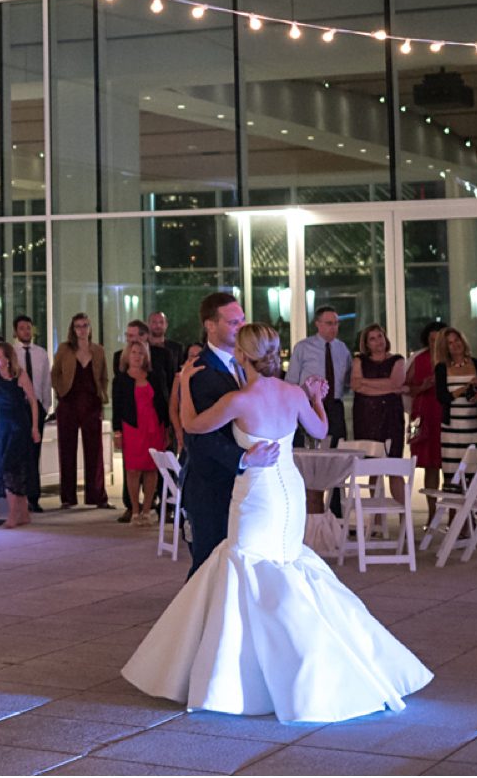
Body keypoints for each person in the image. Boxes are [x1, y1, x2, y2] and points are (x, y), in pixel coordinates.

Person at [122, 322, 432, 724]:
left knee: (247, 569)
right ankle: (307, 668)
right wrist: (316, 399)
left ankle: (251, 678)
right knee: (282, 568)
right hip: (290, 492)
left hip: (257, 495)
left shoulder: (240, 399)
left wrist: (183, 383)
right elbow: (320, 430)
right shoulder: (291, 393)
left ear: (242, 357)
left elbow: (192, 427)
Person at [179, 293, 282, 576]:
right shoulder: (200, 369)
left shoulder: (251, 364)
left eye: (243, 320)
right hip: (211, 483)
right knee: (209, 565)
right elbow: (200, 436)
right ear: (210, 325)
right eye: (232, 321)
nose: (240, 326)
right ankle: (197, 620)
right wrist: (243, 458)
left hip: (245, 484)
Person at [0, 339, 40, 528]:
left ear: (8, 359)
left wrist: (35, 427)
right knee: (9, 471)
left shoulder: (19, 375)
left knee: (12, 469)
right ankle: (22, 513)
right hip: (3, 428)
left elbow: (33, 402)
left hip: (18, 427)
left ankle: (14, 514)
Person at [52, 313, 110, 510]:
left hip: (92, 403)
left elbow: (104, 377)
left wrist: (102, 395)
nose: (82, 329)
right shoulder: (65, 349)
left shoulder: (98, 350)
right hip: (68, 403)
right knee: (67, 450)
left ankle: (97, 496)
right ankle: (68, 497)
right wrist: (61, 392)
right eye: (78, 326)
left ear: (90, 328)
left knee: (95, 451)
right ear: (73, 329)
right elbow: (55, 374)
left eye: (85, 325)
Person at [113, 336, 168, 525]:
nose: (137, 357)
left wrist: (167, 428)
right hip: (132, 428)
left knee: (151, 469)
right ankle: (135, 510)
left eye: (141, 353)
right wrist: (117, 432)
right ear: (128, 356)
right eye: (134, 353)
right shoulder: (121, 379)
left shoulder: (155, 375)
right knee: (133, 469)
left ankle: (147, 510)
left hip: (154, 427)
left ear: (146, 357)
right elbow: (117, 408)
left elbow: (163, 402)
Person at [286, 305, 352, 447]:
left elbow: (347, 380)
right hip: (309, 404)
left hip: (335, 405)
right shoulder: (303, 347)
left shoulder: (342, 349)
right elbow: (291, 381)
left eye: (336, 323)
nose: (333, 327)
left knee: (337, 445)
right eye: (329, 323)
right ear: (318, 324)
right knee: (309, 444)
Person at [350, 324, 407, 479]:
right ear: (367, 344)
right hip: (367, 416)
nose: (378, 341)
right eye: (372, 339)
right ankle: (373, 503)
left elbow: (396, 383)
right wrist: (387, 386)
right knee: (372, 467)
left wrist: (365, 382)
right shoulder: (359, 360)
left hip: (391, 416)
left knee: (394, 467)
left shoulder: (397, 360)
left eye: (380, 336)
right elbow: (355, 385)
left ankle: (402, 503)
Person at [404, 321, 445, 524]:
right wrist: (423, 386)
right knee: (429, 464)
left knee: (449, 463)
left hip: (445, 413)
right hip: (422, 413)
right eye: (431, 340)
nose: (435, 344)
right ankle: (432, 513)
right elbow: (407, 389)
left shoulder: (452, 359)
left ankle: (459, 515)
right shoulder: (418, 359)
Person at [11, 314, 53, 511]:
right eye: (22, 328)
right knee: (20, 453)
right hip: (19, 407)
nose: (26, 331)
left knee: (34, 453)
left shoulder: (41, 353)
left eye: (28, 328)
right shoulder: (12, 353)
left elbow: (46, 381)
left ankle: (34, 497)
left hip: (37, 407)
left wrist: (45, 405)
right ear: (15, 332)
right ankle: (19, 496)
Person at [434, 327, 477, 460]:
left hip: (475, 424)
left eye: (457, 340)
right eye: (449, 343)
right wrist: (463, 388)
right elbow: (442, 397)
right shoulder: (441, 368)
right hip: (452, 427)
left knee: (475, 470)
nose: (455, 345)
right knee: (453, 471)